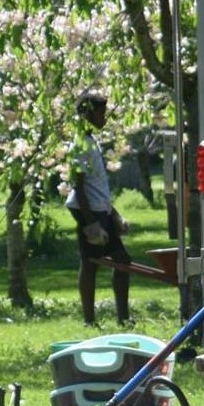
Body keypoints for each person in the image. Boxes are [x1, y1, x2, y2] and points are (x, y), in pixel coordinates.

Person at [65, 91, 130, 327]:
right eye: (102, 112)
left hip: (101, 210)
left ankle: (124, 317)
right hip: (88, 211)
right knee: (90, 263)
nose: (105, 117)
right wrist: (91, 224)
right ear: (89, 113)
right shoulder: (80, 144)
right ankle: (89, 321)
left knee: (122, 261)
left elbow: (98, 186)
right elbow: (80, 188)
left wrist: (114, 215)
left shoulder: (92, 141)